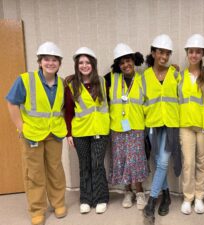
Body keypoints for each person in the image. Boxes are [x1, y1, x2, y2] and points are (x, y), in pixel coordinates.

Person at [6, 42, 67, 225]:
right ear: (40, 62)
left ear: (59, 63)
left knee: (55, 170)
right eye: (46, 59)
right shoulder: (25, 79)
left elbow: (62, 108)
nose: (50, 63)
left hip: (54, 133)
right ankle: (37, 209)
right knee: (34, 173)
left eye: (54, 60)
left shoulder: (63, 83)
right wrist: (20, 127)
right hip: (32, 134)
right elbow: (11, 102)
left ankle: (58, 203)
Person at [64, 47, 110, 214]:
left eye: (87, 62)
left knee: (97, 164)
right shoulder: (70, 84)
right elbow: (68, 111)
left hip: (101, 130)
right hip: (80, 132)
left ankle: (101, 198)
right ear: (77, 65)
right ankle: (85, 199)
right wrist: (68, 133)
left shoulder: (103, 82)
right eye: (81, 62)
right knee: (84, 165)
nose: (84, 65)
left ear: (93, 64)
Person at [142, 34, 182, 222]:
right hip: (152, 124)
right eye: (161, 52)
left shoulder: (175, 74)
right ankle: (166, 196)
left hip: (170, 124)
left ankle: (151, 202)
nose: (164, 56)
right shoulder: (144, 76)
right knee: (159, 163)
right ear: (153, 53)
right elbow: (140, 100)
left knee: (164, 162)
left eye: (167, 53)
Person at [108, 43, 148, 210]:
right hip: (118, 127)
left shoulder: (143, 78)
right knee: (122, 160)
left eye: (128, 61)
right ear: (118, 65)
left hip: (137, 126)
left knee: (136, 160)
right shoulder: (111, 78)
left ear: (134, 61)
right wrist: (73, 77)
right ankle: (127, 192)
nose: (126, 65)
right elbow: (90, 78)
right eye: (122, 62)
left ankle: (139, 192)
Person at [178, 34, 204, 215]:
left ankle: (199, 197)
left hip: (203, 125)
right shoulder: (179, 76)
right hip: (185, 125)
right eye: (191, 51)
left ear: (203, 53)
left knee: (202, 162)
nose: (194, 55)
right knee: (188, 163)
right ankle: (188, 197)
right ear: (187, 53)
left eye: (198, 52)